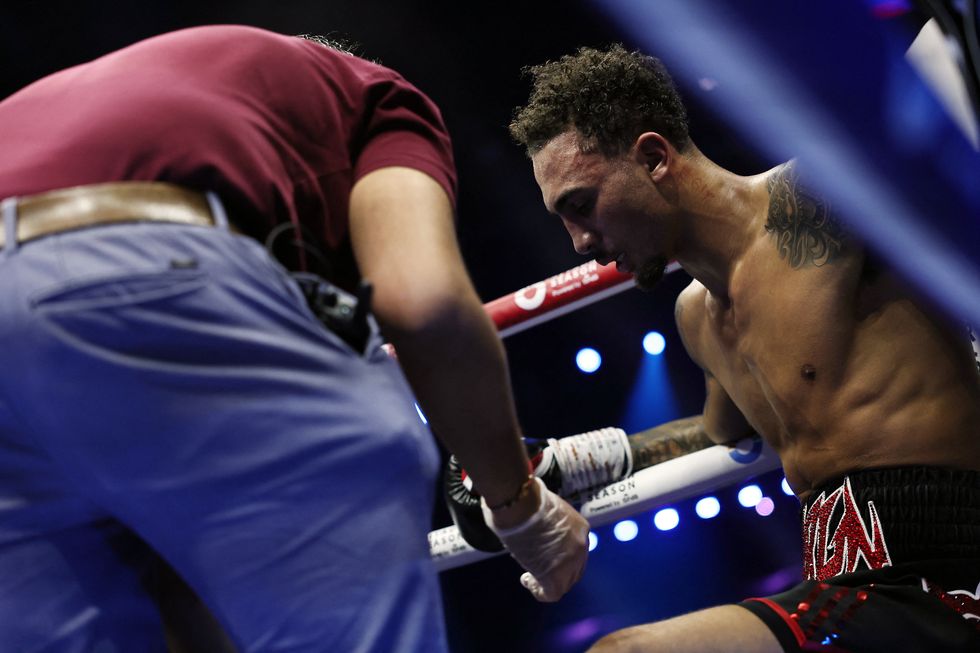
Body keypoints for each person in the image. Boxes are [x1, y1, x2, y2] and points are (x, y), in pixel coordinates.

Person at [0, 25, 589, 652]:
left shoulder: (174, 102)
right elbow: (424, 305)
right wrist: (515, 501)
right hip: (128, 256)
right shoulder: (375, 99)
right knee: (364, 443)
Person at [509, 44, 980, 652]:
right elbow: (722, 436)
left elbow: (934, 75)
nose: (578, 242)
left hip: (954, 570)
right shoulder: (698, 318)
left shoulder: (818, 200)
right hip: (846, 596)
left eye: (582, 205)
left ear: (654, 157)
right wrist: (572, 462)